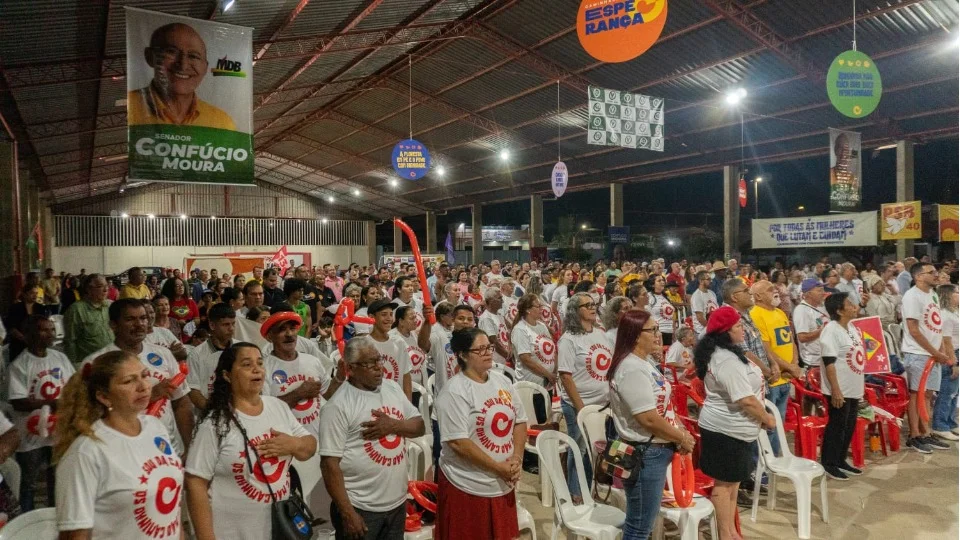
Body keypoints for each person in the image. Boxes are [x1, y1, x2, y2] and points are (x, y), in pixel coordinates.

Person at [185, 343, 316, 540]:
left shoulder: (278, 407)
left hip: (279, 529)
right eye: (247, 364)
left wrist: (293, 445)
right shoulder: (214, 424)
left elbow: (310, 447)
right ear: (227, 375)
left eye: (260, 363)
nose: (257, 369)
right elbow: (195, 483)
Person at [55, 350, 183, 539]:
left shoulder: (155, 428)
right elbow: (76, 533)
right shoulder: (87, 452)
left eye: (144, 375)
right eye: (129, 381)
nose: (143, 386)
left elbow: (172, 513)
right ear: (104, 397)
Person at [319, 336, 424, 540]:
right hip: (361, 508)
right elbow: (329, 465)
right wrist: (348, 513)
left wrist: (393, 425)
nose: (378, 367)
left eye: (379, 360)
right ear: (350, 368)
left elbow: (419, 426)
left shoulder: (392, 388)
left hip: (396, 503)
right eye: (369, 363)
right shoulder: (337, 406)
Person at [608, 309, 695, 539]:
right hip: (645, 452)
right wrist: (681, 437)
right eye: (653, 330)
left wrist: (678, 428)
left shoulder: (643, 362)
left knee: (644, 520)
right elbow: (647, 418)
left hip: (654, 449)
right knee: (639, 526)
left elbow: (661, 405)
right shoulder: (630, 368)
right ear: (636, 335)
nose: (659, 334)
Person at [435, 328, 527, 540]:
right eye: (480, 349)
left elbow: (520, 421)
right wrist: (498, 467)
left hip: (503, 481)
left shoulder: (502, 381)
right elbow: (458, 443)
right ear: (463, 355)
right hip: (468, 485)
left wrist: (516, 458)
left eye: (489, 347)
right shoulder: (454, 391)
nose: (488, 353)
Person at [694, 306, 775, 540]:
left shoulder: (729, 352)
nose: (743, 329)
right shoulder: (725, 360)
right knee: (724, 485)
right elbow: (745, 399)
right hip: (725, 430)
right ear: (725, 332)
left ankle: (730, 530)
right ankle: (725, 533)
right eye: (738, 326)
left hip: (737, 429)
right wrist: (766, 418)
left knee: (733, 482)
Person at [81, 298, 194, 453]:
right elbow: (90, 413)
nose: (139, 324)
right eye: (130, 319)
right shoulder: (96, 362)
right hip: (122, 451)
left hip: (168, 450)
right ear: (113, 325)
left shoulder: (163, 353)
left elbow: (181, 403)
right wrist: (150, 396)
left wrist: (189, 446)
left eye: (143, 318)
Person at [8, 315, 74, 510]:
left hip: (58, 429)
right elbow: (18, 401)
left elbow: (73, 385)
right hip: (31, 434)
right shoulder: (19, 364)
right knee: (28, 482)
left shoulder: (60, 358)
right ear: (29, 334)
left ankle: (54, 514)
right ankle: (26, 516)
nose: (51, 334)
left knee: (58, 477)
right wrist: (52, 403)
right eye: (44, 330)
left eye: (52, 329)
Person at [557, 292, 613, 503]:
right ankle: (576, 492)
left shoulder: (600, 333)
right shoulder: (568, 339)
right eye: (587, 305)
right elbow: (565, 376)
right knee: (579, 448)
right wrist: (581, 408)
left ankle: (588, 487)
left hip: (602, 404)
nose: (592, 307)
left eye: (593, 304)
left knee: (595, 449)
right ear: (575, 311)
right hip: (578, 405)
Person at [128, 22, 236, 129]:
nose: (183, 65)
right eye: (171, 52)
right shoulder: (128, 107)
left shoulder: (222, 122)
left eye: (193, 56)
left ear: (205, 68)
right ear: (150, 57)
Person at [261, 311, 343, 442]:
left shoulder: (312, 361)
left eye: (292, 328)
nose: (289, 334)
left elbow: (327, 397)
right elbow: (266, 412)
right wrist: (299, 393)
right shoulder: (263, 368)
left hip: (322, 440)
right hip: (289, 445)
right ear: (270, 337)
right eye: (282, 329)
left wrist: (339, 377)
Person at [901, 262, 953, 453]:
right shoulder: (912, 296)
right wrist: (935, 352)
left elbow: (936, 326)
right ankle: (914, 435)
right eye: (931, 272)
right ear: (918, 276)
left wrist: (941, 350)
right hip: (917, 353)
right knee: (916, 394)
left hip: (932, 354)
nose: (936, 275)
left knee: (928, 395)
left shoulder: (932, 294)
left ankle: (926, 432)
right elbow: (914, 330)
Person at [749, 280, 801, 454]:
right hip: (772, 379)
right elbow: (766, 349)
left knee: (779, 424)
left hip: (786, 377)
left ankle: (777, 458)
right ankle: (766, 462)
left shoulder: (779, 312)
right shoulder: (756, 314)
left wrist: (794, 364)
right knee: (768, 426)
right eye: (770, 289)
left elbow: (790, 340)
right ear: (758, 296)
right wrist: (789, 367)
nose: (775, 290)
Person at [819, 292, 867, 480]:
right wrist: (836, 390)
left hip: (853, 387)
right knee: (837, 426)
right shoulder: (831, 330)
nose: (854, 306)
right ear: (839, 311)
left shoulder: (852, 328)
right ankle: (829, 463)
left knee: (849, 425)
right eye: (849, 304)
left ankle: (840, 459)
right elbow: (829, 362)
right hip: (839, 389)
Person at [186, 303, 237, 410]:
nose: (231, 328)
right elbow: (194, 391)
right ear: (212, 325)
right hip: (209, 412)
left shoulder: (241, 349)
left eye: (233, 324)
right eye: (226, 324)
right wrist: (213, 414)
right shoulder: (196, 355)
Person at [366, 299, 414, 401]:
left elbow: (406, 376)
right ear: (371, 317)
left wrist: (408, 404)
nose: (389, 319)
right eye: (384, 314)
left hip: (397, 401)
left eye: (391, 314)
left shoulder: (399, 342)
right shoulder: (365, 344)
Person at [63, 274, 113, 364]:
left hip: (112, 360)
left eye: (106, 286)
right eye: (100, 286)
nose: (106, 290)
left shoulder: (109, 306)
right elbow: (70, 341)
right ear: (89, 290)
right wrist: (73, 365)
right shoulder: (76, 310)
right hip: (90, 363)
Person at [510, 294, 557, 388]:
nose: (541, 309)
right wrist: (548, 375)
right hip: (530, 386)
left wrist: (554, 371)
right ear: (528, 310)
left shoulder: (542, 326)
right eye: (538, 306)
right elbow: (526, 359)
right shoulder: (520, 329)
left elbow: (553, 350)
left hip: (548, 383)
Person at [931, 284, 959, 440]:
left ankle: (950, 422)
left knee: (955, 392)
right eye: (957, 292)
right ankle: (940, 425)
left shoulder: (954, 312)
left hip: (957, 351)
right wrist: (953, 362)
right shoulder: (945, 315)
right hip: (951, 353)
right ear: (948, 295)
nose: (959, 295)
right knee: (947, 392)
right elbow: (946, 340)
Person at [3, 285, 50, 362]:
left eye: (36, 293)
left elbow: (44, 325)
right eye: (32, 293)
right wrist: (23, 338)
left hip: (36, 343)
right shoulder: (15, 308)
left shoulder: (40, 308)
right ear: (24, 294)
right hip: (18, 343)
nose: (35, 295)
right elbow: (10, 326)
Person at [794, 279, 830, 368]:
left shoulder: (821, 306)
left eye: (823, 290)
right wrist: (823, 330)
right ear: (809, 294)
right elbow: (802, 337)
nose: (823, 293)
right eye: (819, 290)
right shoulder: (801, 310)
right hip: (814, 362)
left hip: (827, 358)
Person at [390, 306, 428, 389]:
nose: (416, 320)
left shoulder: (413, 334)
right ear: (401, 321)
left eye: (415, 317)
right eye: (412, 318)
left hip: (419, 387)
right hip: (403, 388)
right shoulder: (392, 338)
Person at [478, 288, 512, 367]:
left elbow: (509, 333)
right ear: (490, 301)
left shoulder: (499, 315)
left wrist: (510, 349)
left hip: (504, 360)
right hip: (496, 363)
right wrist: (510, 358)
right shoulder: (486, 318)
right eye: (499, 298)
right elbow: (494, 342)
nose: (502, 301)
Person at [646, 274, 676, 345]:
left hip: (669, 331)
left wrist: (673, 331)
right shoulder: (649, 296)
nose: (662, 282)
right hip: (658, 332)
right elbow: (646, 315)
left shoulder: (665, 296)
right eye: (659, 281)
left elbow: (671, 317)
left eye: (663, 280)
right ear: (652, 285)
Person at [690, 270, 719, 338]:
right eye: (708, 279)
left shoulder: (712, 293)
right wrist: (711, 328)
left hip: (713, 330)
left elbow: (717, 310)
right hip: (702, 332)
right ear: (701, 281)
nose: (711, 281)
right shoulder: (697, 296)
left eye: (711, 279)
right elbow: (700, 318)